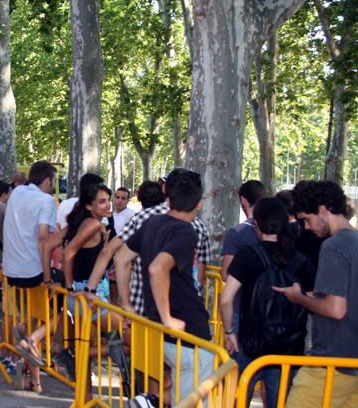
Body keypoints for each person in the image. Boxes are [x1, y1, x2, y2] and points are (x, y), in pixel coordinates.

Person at [117, 169, 213, 403]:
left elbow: (121, 259)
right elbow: (157, 269)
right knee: (196, 396)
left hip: (160, 327)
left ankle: (150, 401)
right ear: (200, 203)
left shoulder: (153, 222)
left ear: (167, 197)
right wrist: (168, 317)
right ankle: (150, 401)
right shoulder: (186, 232)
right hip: (187, 328)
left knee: (186, 389)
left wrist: (127, 304)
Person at [219, 197, 315, 408]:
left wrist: (228, 332)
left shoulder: (247, 255)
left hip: (250, 343)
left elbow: (226, 299)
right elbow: (311, 302)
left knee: (236, 398)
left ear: (256, 224)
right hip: (288, 350)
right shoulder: (300, 259)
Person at [274, 181, 358, 408]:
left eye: (307, 219)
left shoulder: (333, 246)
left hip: (330, 361)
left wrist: (299, 297)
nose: (307, 227)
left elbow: (335, 309)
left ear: (323, 210)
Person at [61, 183, 128, 403]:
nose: (109, 204)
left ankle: (86, 395)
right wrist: (71, 287)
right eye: (103, 201)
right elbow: (68, 251)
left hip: (92, 293)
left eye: (109, 199)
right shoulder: (91, 224)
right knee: (132, 336)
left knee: (92, 344)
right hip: (89, 296)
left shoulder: (95, 224)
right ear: (90, 205)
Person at [2, 160, 58, 393]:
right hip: (34, 272)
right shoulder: (47, 201)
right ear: (47, 180)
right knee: (55, 317)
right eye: (54, 180)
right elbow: (43, 238)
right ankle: (30, 336)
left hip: (11, 270)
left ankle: (32, 380)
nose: (54, 185)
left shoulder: (16, 193)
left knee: (30, 319)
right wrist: (48, 277)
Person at [220, 180, 265, 281]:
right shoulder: (274, 228)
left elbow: (226, 274)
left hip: (243, 294)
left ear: (243, 200)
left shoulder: (235, 233)